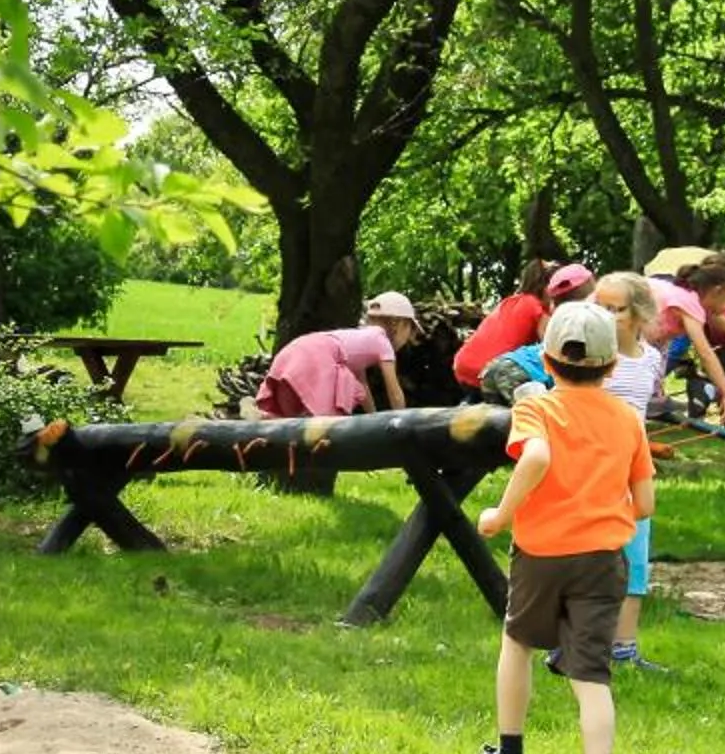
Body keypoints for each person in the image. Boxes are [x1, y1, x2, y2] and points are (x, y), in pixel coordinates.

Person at [472, 303, 655, 754]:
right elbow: (644, 505)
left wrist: (500, 514)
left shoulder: (536, 409)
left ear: (547, 362)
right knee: (591, 674)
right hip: (603, 559)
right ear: (613, 367)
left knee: (517, 642)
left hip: (542, 553)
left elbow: (536, 457)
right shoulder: (628, 420)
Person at [590, 271, 671, 672]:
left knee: (635, 561)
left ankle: (624, 648)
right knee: (589, 559)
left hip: (634, 472)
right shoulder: (591, 359)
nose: (604, 316)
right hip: (594, 471)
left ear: (638, 314)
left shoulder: (652, 360)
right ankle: (575, 643)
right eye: (598, 307)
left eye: (614, 309)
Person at [256, 292, 421, 419]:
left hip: (298, 348)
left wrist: (373, 417)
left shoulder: (360, 338)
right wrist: (402, 420)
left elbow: (363, 387)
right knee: (330, 415)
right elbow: (394, 391)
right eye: (409, 330)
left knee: (293, 411)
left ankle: (265, 417)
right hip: (319, 355)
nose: (408, 338)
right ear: (397, 324)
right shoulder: (382, 342)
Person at [454, 261, 593, 399]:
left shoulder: (509, 302)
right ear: (544, 287)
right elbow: (553, 343)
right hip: (490, 369)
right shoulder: (535, 307)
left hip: (463, 365)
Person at [644, 260, 725, 422]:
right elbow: (705, 353)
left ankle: (651, 400)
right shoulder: (690, 303)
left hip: (636, 326)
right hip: (625, 325)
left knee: (658, 354)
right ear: (717, 291)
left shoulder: (686, 296)